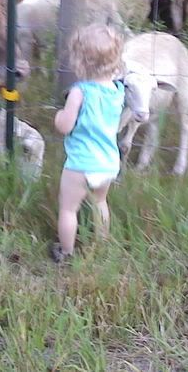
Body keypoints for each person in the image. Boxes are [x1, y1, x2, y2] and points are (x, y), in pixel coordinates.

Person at [51, 23, 125, 264]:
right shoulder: (117, 91)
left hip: (81, 163)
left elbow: (65, 126)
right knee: (100, 202)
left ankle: (66, 251)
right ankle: (102, 245)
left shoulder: (79, 92)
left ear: (79, 62)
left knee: (68, 209)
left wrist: (59, 116)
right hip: (108, 162)